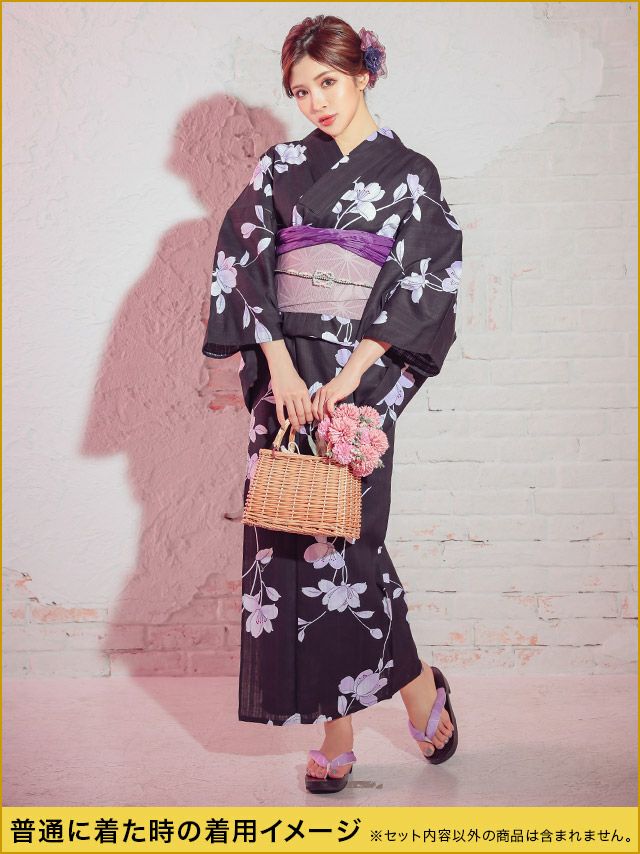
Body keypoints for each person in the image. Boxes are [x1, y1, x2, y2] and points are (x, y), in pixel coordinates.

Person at [202, 14, 461, 794]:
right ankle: (346, 725)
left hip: (362, 380)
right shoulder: (280, 167)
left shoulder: (411, 174)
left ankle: (410, 690)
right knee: (290, 548)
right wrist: (279, 366)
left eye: (329, 82)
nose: (316, 101)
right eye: (301, 90)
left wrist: (357, 373)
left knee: (349, 544)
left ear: (364, 75)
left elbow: (427, 278)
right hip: (284, 379)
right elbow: (241, 257)